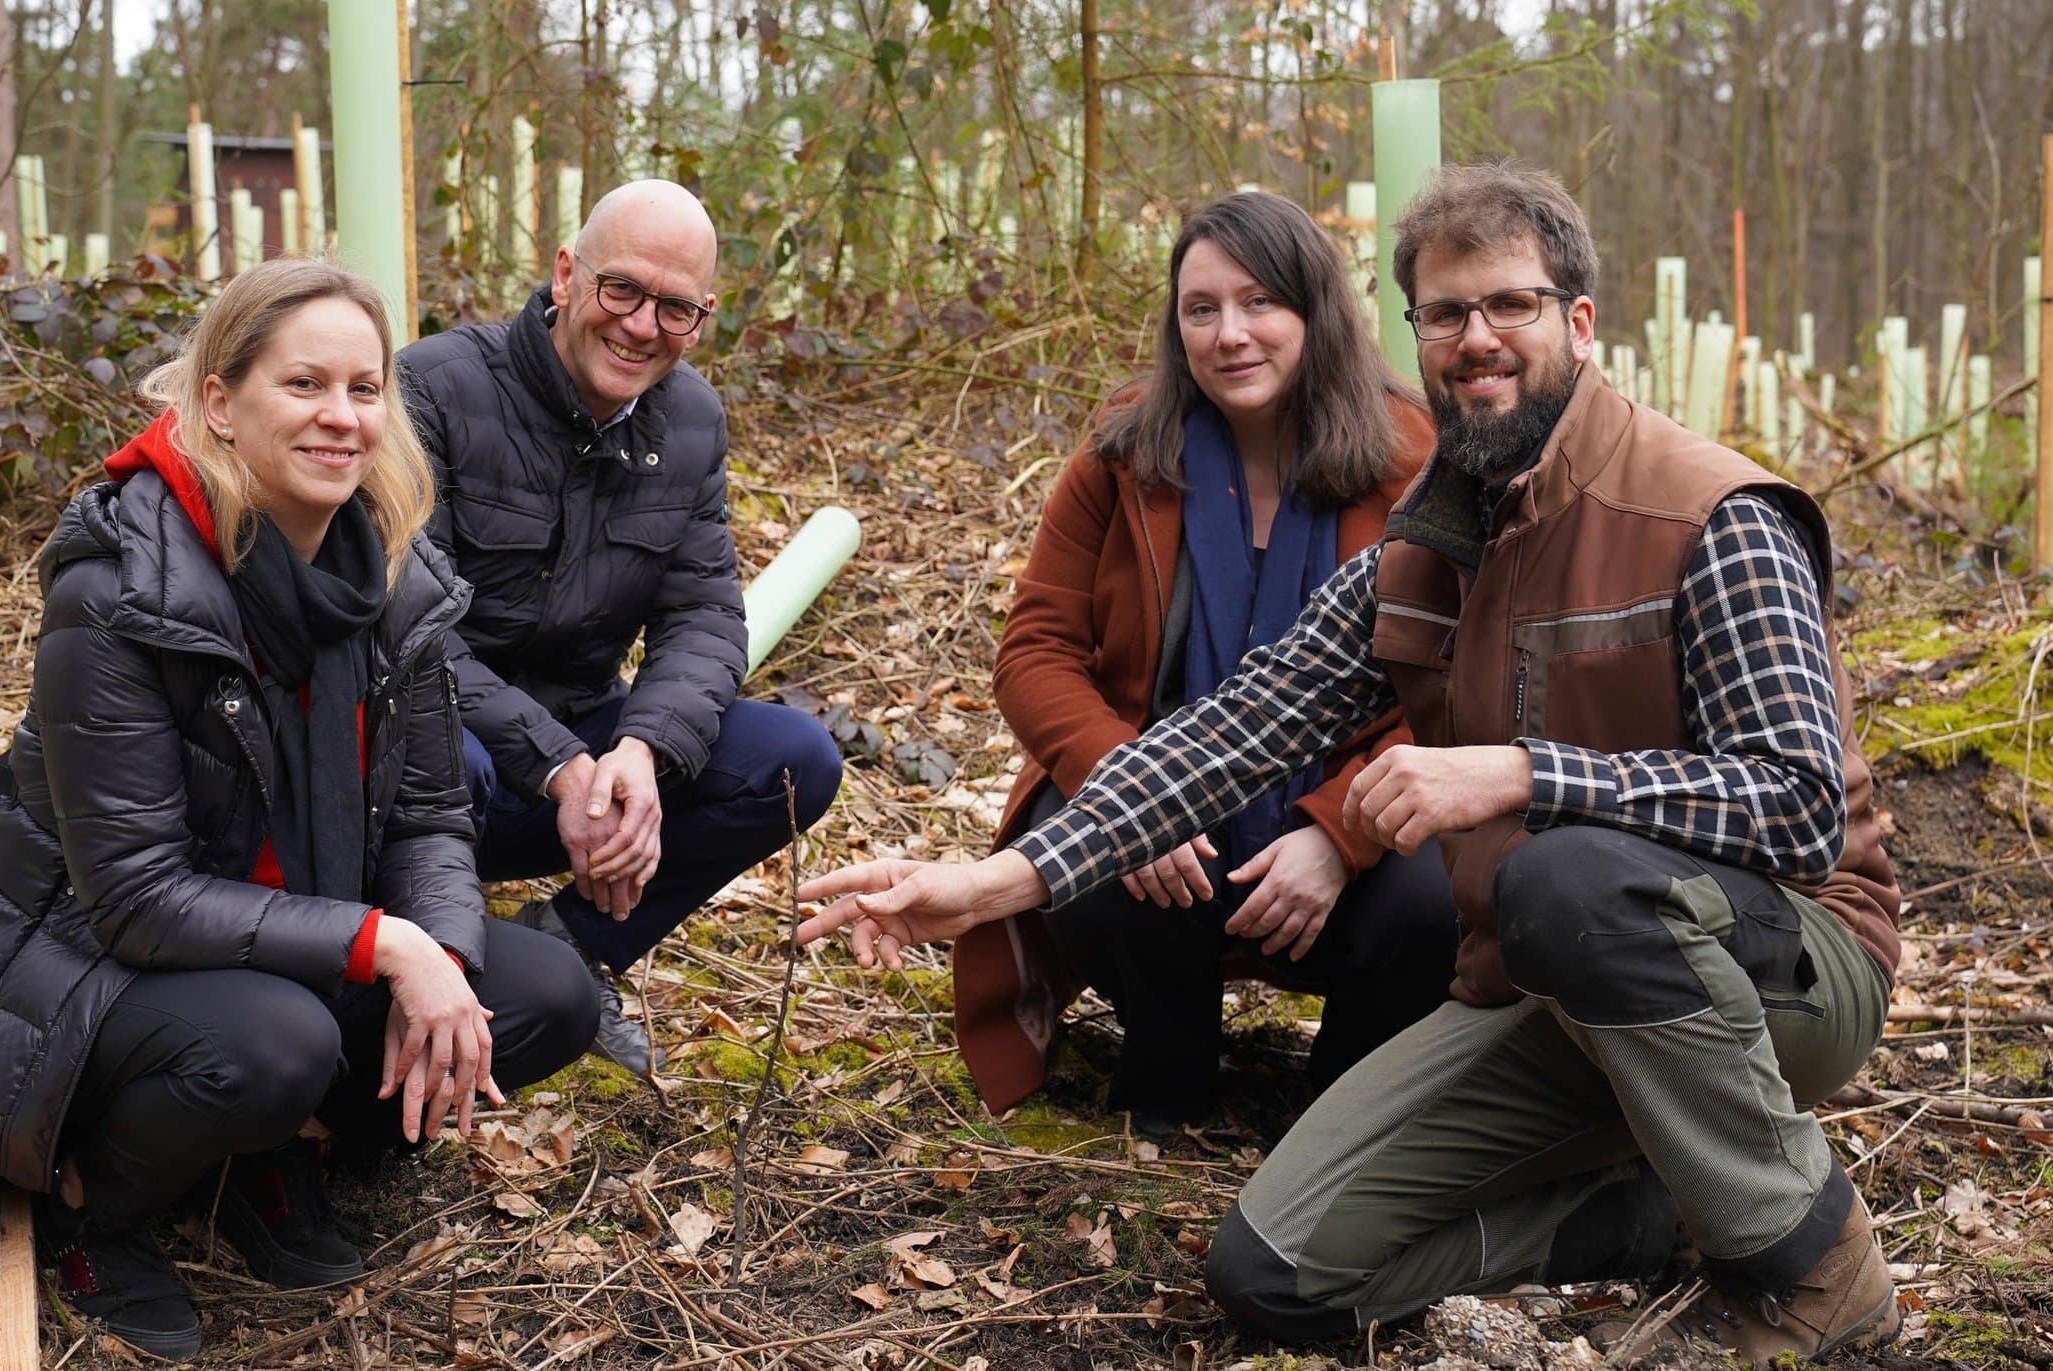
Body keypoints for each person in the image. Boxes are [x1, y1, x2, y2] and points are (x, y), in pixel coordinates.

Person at [793, 163, 1905, 1367]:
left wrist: (1522, 773)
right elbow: (1233, 734)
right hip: (1539, 982)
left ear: (1580, 323)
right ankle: (1643, 1214)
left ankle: (1807, 1259)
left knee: (1567, 876)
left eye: (1512, 305)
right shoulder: (1432, 547)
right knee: (1274, 1275)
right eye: (1445, 314)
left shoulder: (1712, 515)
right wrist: (989, 886)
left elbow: (1799, 810)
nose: (1476, 340)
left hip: (1784, 968)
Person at [0, 258, 601, 1359]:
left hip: (289, 934)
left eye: (364, 388)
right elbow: (136, 898)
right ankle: (91, 1208)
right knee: (278, 1044)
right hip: (82, 956)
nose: (341, 417)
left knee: (548, 996)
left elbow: (433, 813)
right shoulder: (121, 588)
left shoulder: (393, 575)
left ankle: (268, 1156)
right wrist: (388, 946)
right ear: (220, 402)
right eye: (303, 384)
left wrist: (437, 950)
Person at [956, 190, 1457, 1132]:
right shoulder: (1124, 446)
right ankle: (1168, 1080)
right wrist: (1131, 789)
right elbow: (1036, 648)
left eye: (1260, 301)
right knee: (1084, 847)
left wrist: (1339, 834)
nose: (1230, 333)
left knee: (1437, 893)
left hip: (1351, 811)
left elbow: (1453, 693)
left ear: (1315, 310)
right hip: (1167, 827)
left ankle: (1344, 1112)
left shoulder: (1417, 460)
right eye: (1201, 308)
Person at [398, 179, 842, 1076]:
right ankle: (446, 977)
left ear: (703, 316)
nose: (642, 326)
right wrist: (560, 765)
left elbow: (705, 616)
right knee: (444, 752)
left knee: (795, 760)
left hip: (588, 751)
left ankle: (572, 944)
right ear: (567, 274)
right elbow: (409, 632)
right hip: (445, 756)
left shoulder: (692, 420)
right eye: (623, 289)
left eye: (676, 308)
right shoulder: (433, 387)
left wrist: (642, 752)